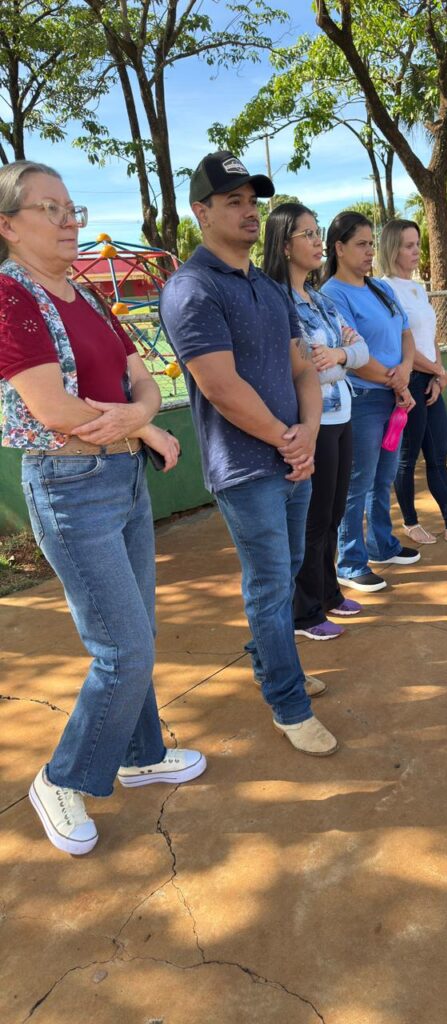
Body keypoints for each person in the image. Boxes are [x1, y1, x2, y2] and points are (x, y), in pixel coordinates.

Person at [0, 160, 205, 857]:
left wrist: (138, 417)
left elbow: (143, 378)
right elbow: (52, 410)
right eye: (48, 209)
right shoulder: (11, 297)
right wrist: (143, 425)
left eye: (71, 208)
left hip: (121, 480)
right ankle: (62, 777)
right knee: (124, 648)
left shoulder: (82, 293)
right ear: (8, 225)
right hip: (68, 484)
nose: (68, 221)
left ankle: (141, 752)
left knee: (139, 628)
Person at [160, 151, 337, 757]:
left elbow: (302, 366)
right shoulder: (191, 288)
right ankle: (289, 704)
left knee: (285, 574)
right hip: (246, 467)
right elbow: (220, 386)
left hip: (294, 456)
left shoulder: (266, 285)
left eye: (253, 201)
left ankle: (274, 663)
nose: (248, 213)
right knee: (267, 585)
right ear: (201, 212)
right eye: (232, 202)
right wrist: (288, 439)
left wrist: (309, 430)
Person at [262, 202, 370, 639]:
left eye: (316, 231)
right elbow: (297, 366)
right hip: (312, 420)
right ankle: (304, 612)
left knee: (334, 511)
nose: (317, 241)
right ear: (284, 244)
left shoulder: (322, 300)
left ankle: (328, 593)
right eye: (307, 233)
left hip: (342, 411)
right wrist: (331, 362)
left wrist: (339, 357)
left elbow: (358, 353)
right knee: (313, 516)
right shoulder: (275, 299)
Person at [320, 211, 418, 593]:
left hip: (394, 397)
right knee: (357, 481)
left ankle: (381, 543)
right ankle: (350, 560)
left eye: (371, 244)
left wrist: (405, 372)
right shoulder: (333, 294)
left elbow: (405, 333)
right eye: (361, 244)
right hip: (364, 398)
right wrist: (397, 383)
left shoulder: (380, 288)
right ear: (339, 248)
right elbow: (353, 353)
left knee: (384, 476)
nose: (369, 252)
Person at [379, 219, 447, 543]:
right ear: (391, 249)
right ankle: (410, 521)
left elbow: (431, 337)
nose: (416, 251)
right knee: (407, 456)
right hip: (409, 382)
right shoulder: (385, 288)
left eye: (417, 244)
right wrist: (435, 371)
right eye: (408, 246)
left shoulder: (417, 287)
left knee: (438, 455)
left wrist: (439, 373)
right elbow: (402, 343)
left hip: (430, 381)